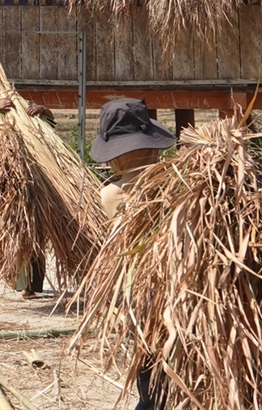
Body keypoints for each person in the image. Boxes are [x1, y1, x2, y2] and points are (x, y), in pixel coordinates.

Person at [90, 98, 177, 410]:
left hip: (141, 294)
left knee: (151, 373)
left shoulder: (110, 194)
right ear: (153, 144)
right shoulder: (182, 184)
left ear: (114, 158)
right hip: (184, 291)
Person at [0, 97, 57, 295]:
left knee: (34, 237)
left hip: (35, 189)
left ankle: (31, 287)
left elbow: (52, 119)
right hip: (6, 191)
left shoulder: (34, 124)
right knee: (10, 238)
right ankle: (15, 279)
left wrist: (42, 107)